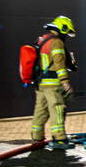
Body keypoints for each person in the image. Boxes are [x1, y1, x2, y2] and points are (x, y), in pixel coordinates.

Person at [30, 16, 77, 150]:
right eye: (66, 32)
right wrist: (65, 82)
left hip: (41, 83)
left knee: (40, 110)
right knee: (57, 109)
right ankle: (59, 138)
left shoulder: (42, 40)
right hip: (53, 84)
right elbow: (59, 63)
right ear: (62, 29)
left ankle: (37, 137)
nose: (66, 36)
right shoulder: (57, 42)